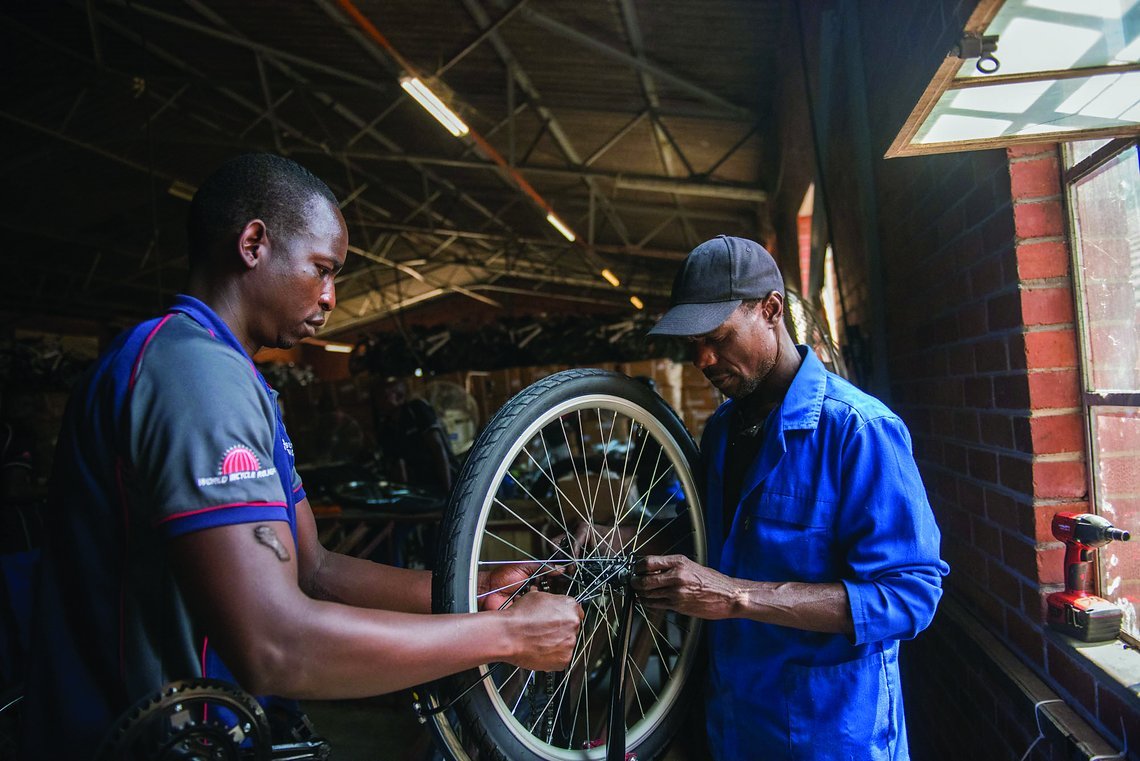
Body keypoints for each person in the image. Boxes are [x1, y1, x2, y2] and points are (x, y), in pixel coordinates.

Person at [20, 153, 582, 759]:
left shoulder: (232, 378)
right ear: (254, 243)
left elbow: (315, 570)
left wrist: (471, 588)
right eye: (323, 269)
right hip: (142, 740)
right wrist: (502, 635)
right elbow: (274, 645)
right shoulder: (194, 376)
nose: (332, 297)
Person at [633, 235, 948, 760]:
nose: (704, 359)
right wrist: (619, 542)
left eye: (718, 336)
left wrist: (737, 596)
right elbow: (708, 537)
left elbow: (910, 595)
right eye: (693, 345)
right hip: (736, 726)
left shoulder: (858, 430)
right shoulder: (722, 431)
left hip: (831, 737)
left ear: (771, 309)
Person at [372, 376, 459, 495]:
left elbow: (438, 449)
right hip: (423, 485)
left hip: (446, 477)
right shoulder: (386, 428)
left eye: (385, 396)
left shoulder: (416, 410)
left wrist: (449, 490)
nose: (379, 402)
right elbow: (399, 464)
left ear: (399, 396)